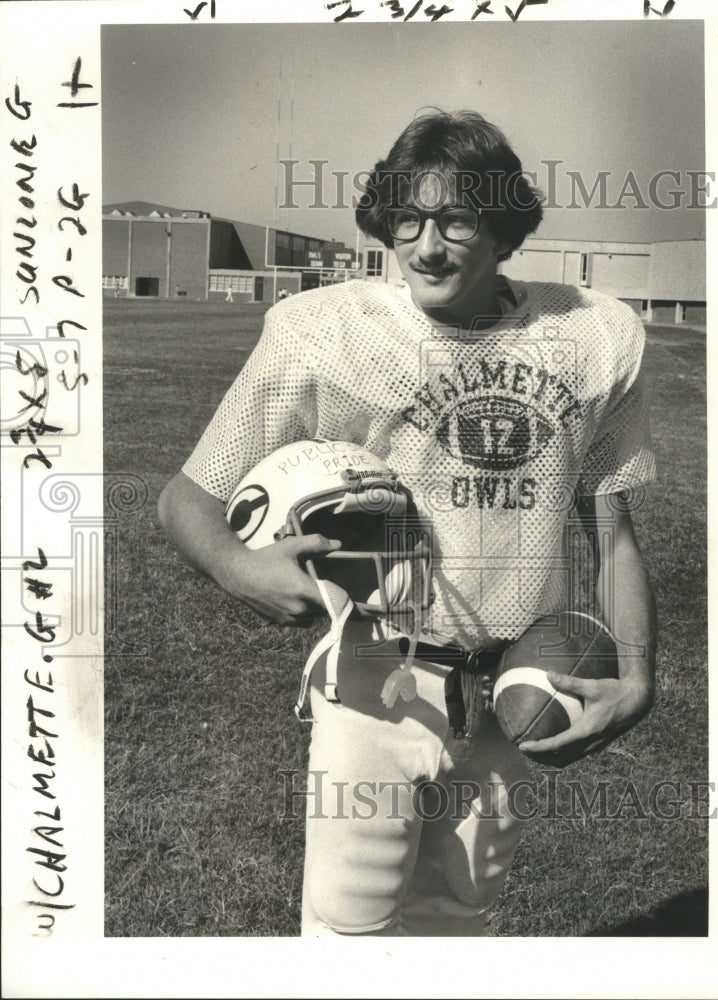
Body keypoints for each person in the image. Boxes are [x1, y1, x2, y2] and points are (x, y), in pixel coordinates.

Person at [158, 110, 657, 937]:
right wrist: (237, 568)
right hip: (378, 684)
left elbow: (613, 530)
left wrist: (638, 680)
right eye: (408, 220)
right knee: (348, 928)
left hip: (519, 686)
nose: (427, 245)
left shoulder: (591, 337)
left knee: (462, 920)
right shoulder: (327, 332)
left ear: (503, 230)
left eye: (457, 219)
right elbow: (189, 498)